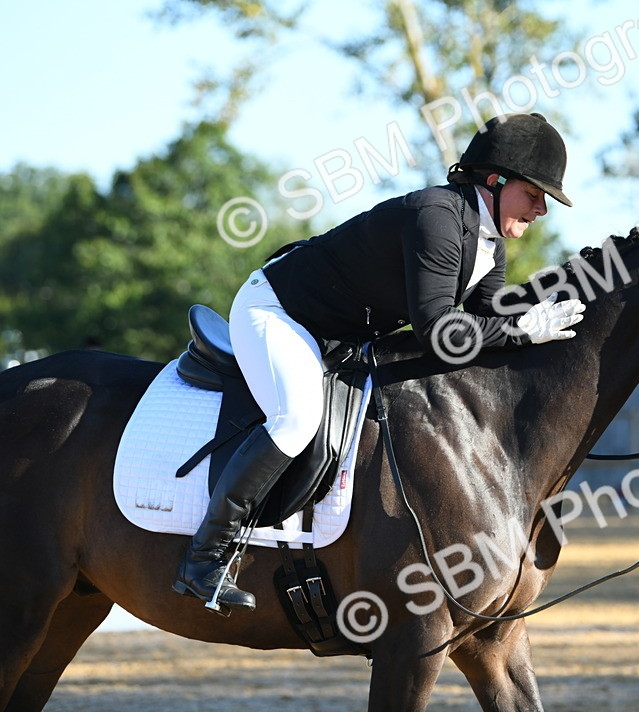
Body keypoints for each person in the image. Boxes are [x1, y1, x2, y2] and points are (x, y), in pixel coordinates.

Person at [173, 113, 587, 610]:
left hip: (334, 334)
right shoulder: (436, 216)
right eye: (535, 193)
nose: (542, 208)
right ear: (495, 180)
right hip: (278, 312)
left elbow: (484, 325)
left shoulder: (488, 243)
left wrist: (542, 318)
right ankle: (205, 558)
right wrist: (521, 330)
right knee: (297, 417)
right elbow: (438, 331)